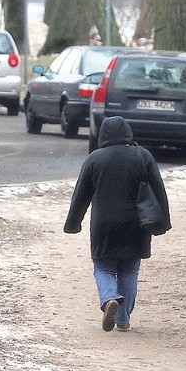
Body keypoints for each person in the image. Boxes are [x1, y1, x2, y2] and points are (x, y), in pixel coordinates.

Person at [63, 116, 171, 332]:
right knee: (129, 270)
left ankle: (110, 298)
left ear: (103, 135)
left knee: (103, 267)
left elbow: (81, 196)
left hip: (104, 225)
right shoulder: (143, 156)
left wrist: (73, 223)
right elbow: (159, 190)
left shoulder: (95, 159)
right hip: (137, 224)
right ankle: (123, 320)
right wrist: (164, 221)